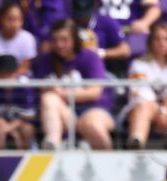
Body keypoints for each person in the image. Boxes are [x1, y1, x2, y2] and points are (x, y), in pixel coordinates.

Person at [32, 18, 116, 150]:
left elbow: (94, 92)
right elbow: (42, 89)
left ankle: (110, 164)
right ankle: (52, 144)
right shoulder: (47, 60)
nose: (59, 45)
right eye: (55, 40)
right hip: (65, 114)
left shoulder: (90, 57)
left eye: (64, 40)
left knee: (92, 125)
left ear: (74, 39)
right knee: (48, 98)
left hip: (94, 110)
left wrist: (62, 93)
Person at [122, 20, 167, 150]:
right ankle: (136, 142)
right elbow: (139, 92)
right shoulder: (139, 64)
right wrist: (160, 112)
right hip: (143, 108)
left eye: (166, 39)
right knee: (144, 105)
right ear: (150, 42)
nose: (161, 43)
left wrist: (164, 111)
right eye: (157, 39)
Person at [0, 54, 39, 150]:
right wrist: (7, 129)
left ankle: (24, 159)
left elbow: (28, 115)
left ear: (16, 72)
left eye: (9, 74)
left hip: (19, 123)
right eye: (2, 74)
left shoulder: (25, 85)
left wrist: (9, 129)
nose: (6, 78)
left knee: (28, 129)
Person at [0, 0, 36, 76]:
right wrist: (2, 80)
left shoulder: (28, 38)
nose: (14, 24)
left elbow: (24, 68)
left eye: (18, 19)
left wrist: (10, 80)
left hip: (20, 82)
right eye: (10, 19)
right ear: (1, 19)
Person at [71, 0, 130, 68]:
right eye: (80, 15)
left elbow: (125, 51)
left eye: (85, 15)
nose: (83, 18)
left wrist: (99, 53)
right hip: (73, 68)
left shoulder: (106, 22)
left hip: (103, 68)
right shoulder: (69, 23)